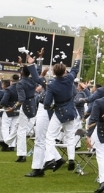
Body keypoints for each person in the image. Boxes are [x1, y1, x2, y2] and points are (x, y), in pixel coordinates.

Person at [38, 49, 83, 177]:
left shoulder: (52, 84)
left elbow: (46, 102)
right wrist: (78, 55)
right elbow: (75, 68)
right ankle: (71, 159)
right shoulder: (69, 78)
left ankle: (50, 159)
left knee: (50, 137)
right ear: (64, 71)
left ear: (54, 73)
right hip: (71, 111)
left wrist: (51, 108)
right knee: (70, 137)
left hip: (59, 112)